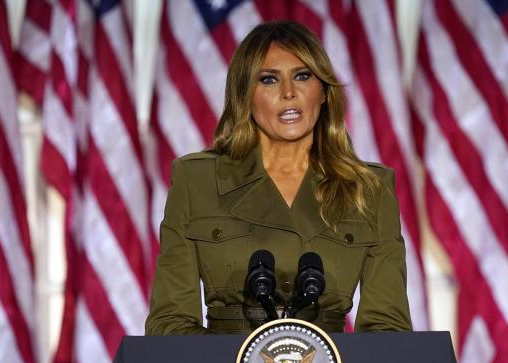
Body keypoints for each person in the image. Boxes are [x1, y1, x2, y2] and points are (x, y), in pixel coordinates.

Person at [145, 21, 411, 335]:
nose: (288, 93)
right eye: (269, 80)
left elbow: (388, 332)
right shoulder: (197, 180)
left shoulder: (369, 188)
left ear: (323, 91)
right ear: (246, 95)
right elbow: (169, 324)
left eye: (302, 76)